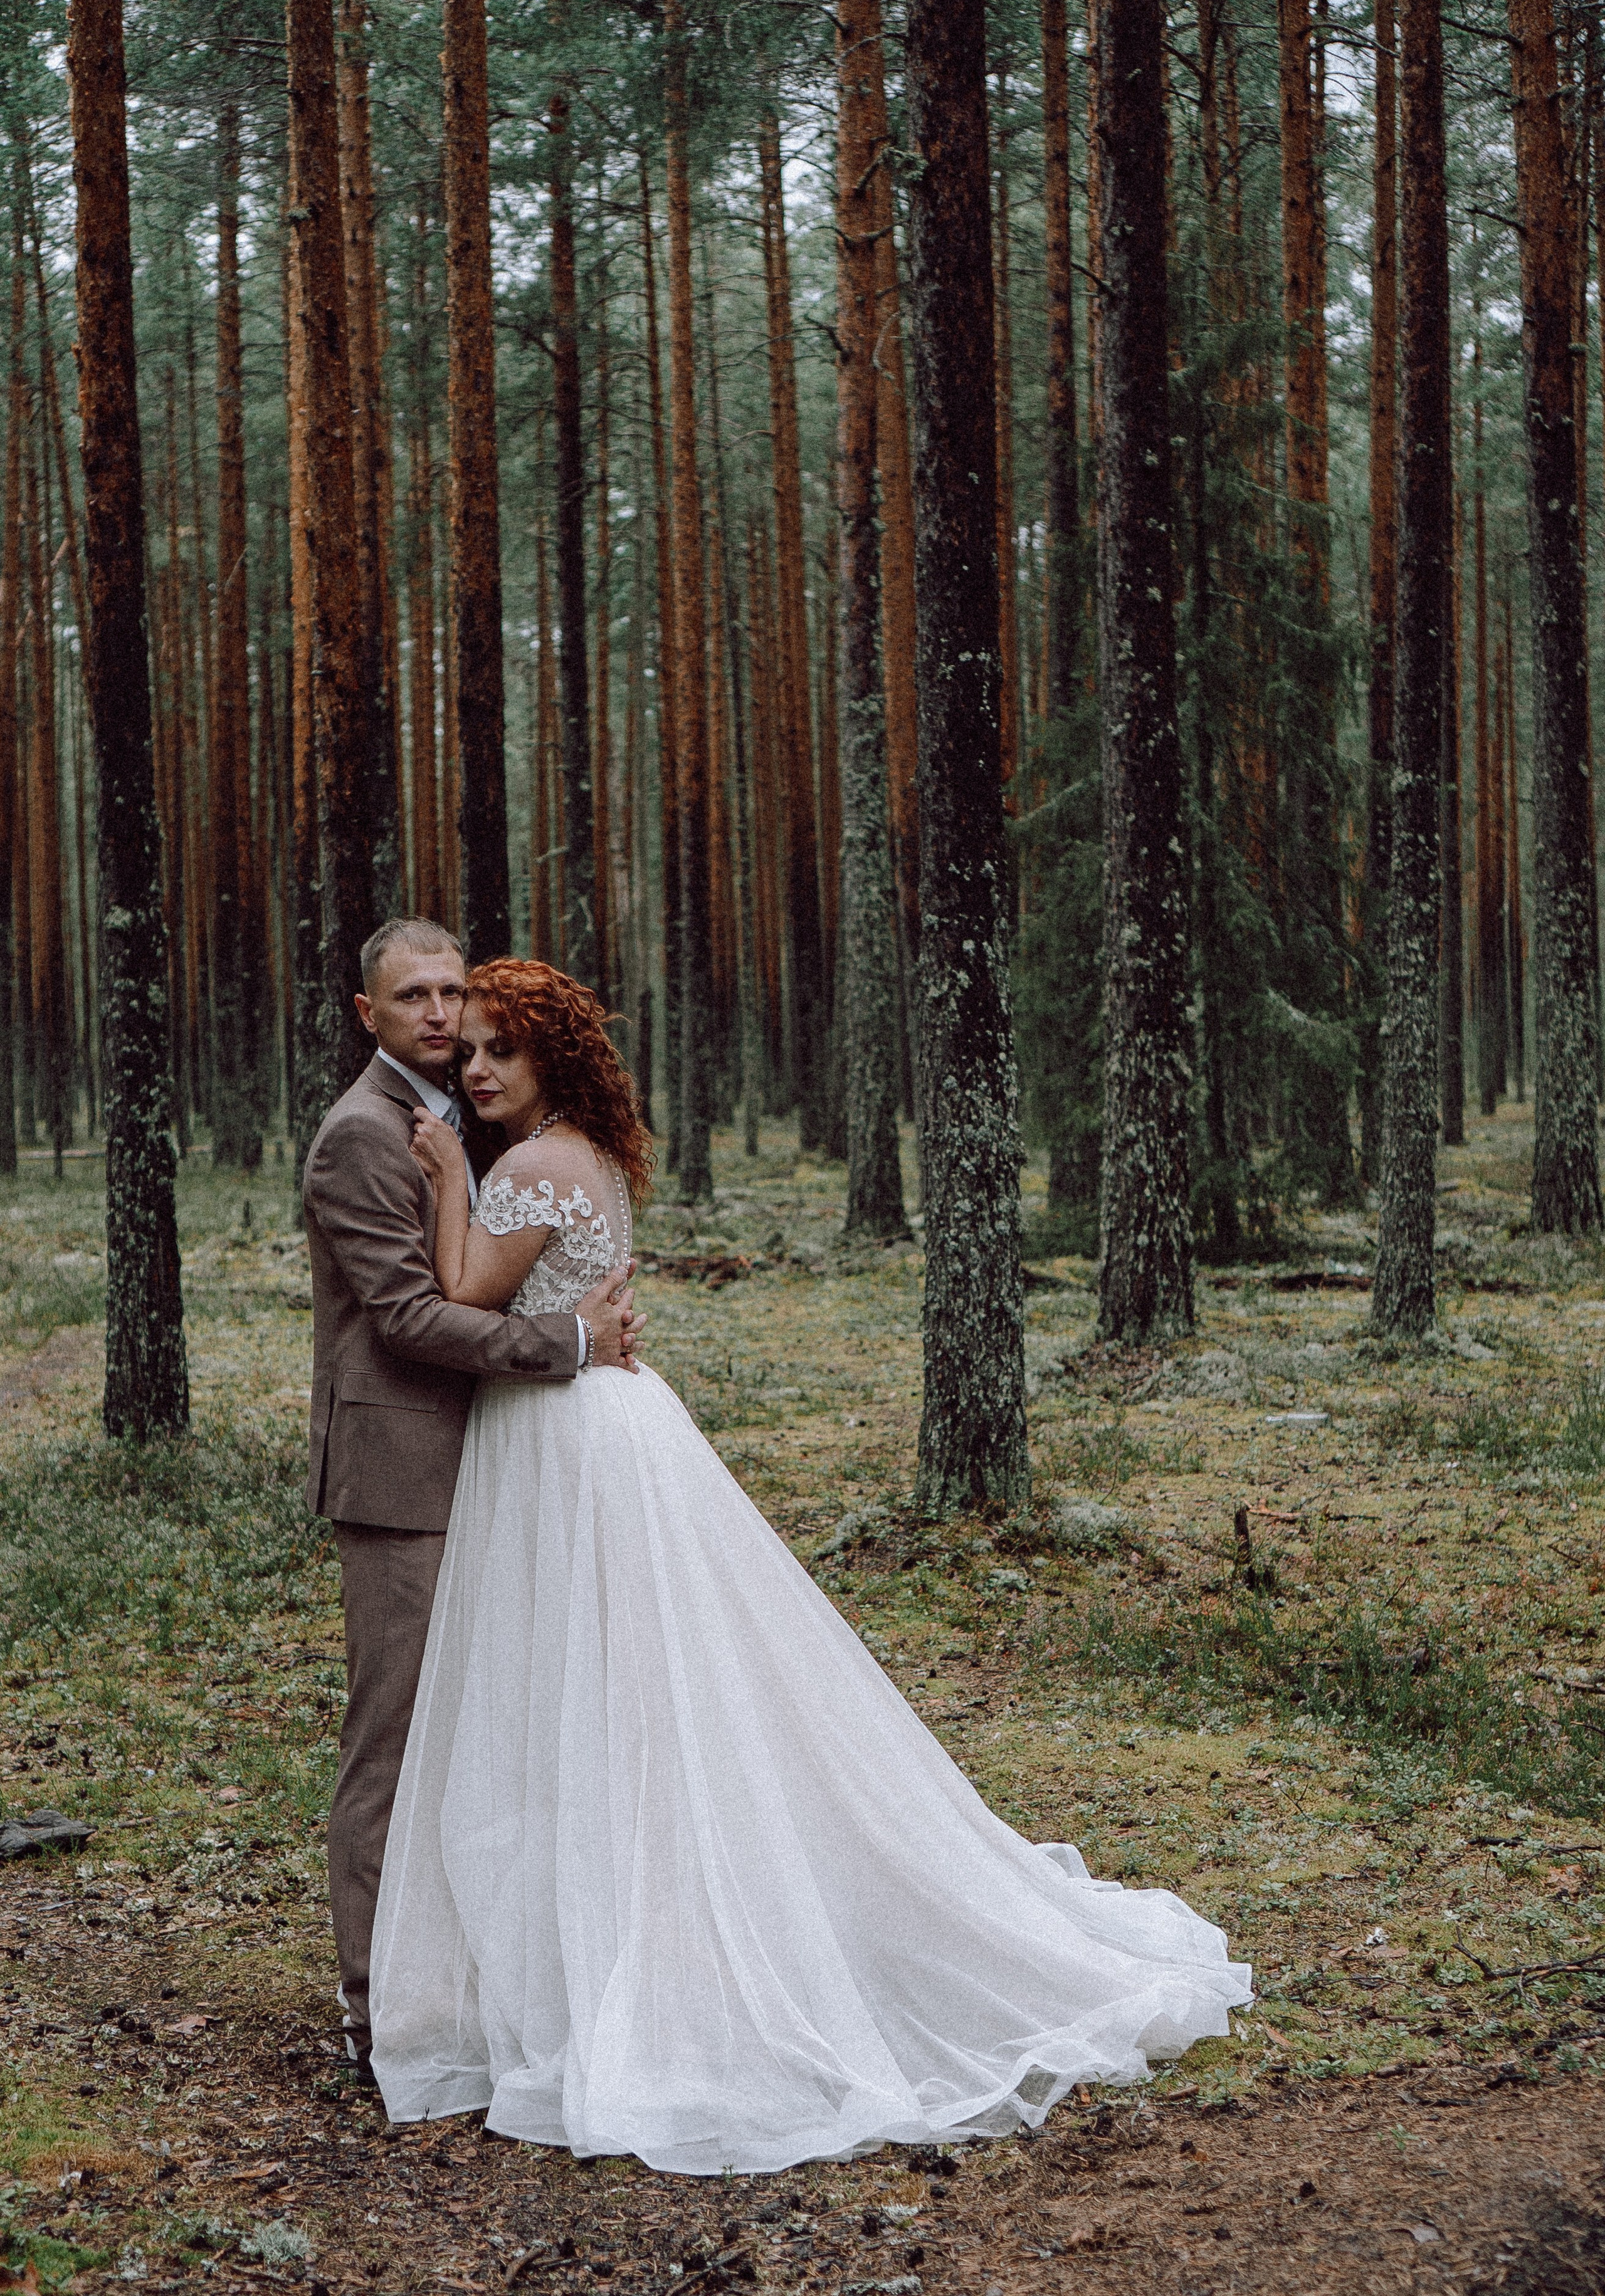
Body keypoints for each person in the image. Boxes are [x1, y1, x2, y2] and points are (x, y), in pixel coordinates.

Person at [369, 956, 1250, 2174]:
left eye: (499, 1051)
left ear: (552, 1058)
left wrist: (440, 1177)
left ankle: (634, 1956)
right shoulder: (588, 1156)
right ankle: (602, 1940)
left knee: (596, 1693)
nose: (475, 1071)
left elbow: (465, 1290)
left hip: (567, 1438)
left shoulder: (525, 1168)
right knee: (622, 1690)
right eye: (466, 1053)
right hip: (592, 1422)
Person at [302, 918, 639, 2084]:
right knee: (395, 1745)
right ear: (370, 1013)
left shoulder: (473, 1120)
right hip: (404, 1480)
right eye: (415, 997)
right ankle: (378, 2016)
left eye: (452, 991)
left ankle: (481, 1987)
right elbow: (407, 1317)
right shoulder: (362, 1135)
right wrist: (572, 1341)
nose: (441, 1015)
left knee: (496, 1735)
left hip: (507, 1467)